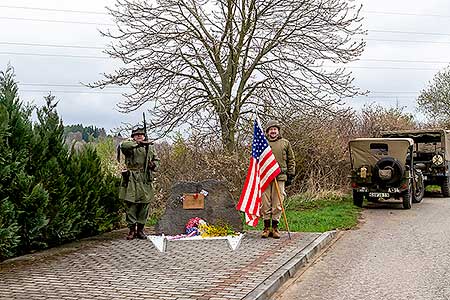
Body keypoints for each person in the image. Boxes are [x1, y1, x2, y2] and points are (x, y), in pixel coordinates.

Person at [119, 126, 160, 240]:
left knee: (144, 205)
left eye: (141, 135)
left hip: (145, 179)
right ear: (133, 137)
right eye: (137, 135)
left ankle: (141, 230)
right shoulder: (130, 146)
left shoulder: (150, 147)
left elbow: (157, 161)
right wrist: (138, 144)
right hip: (131, 178)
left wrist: (154, 165)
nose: (139, 137)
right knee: (131, 205)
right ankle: (132, 230)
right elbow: (123, 146)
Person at [261, 120, 295, 239]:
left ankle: (275, 228)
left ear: (278, 131)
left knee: (278, 203)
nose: (273, 131)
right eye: (271, 129)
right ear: (267, 132)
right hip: (265, 177)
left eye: (275, 129)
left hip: (280, 177)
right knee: (265, 203)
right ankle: (266, 228)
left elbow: (291, 160)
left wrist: (291, 174)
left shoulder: (285, 143)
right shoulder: (262, 143)